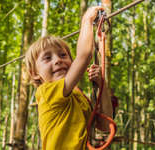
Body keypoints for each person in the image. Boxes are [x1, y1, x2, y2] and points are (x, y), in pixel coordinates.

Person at [24, 6, 113, 150]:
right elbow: (84, 56)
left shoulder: (79, 97)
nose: (57, 60)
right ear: (34, 73)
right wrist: (87, 20)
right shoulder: (46, 93)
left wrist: (102, 85)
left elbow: (104, 126)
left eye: (63, 55)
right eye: (47, 58)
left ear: (72, 63)